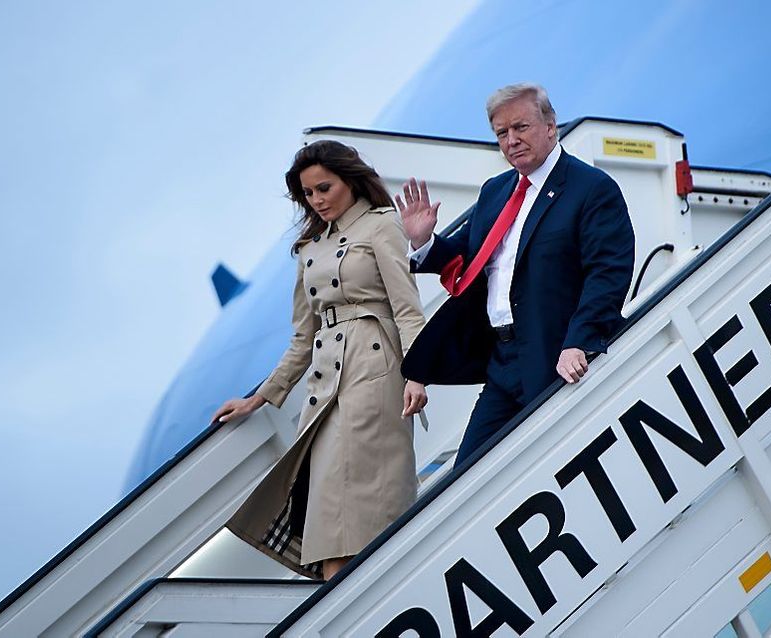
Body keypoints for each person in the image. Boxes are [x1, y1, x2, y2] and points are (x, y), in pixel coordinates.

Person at [215, 140, 428, 580]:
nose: (317, 200)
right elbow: (302, 338)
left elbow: (407, 309)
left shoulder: (380, 225)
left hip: (374, 375)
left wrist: (419, 373)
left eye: (324, 188)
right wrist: (259, 398)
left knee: (358, 513)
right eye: (308, 194)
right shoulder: (310, 247)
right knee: (330, 514)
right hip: (325, 388)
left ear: (349, 179)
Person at [398, 83, 635, 467]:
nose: (512, 140)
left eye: (521, 127)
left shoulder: (591, 188)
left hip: (557, 353)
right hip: (501, 359)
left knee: (557, 465)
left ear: (550, 125)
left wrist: (580, 341)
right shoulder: (496, 191)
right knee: (468, 476)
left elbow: (607, 274)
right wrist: (424, 241)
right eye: (502, 133)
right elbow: (466, 256)